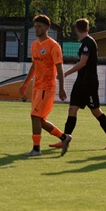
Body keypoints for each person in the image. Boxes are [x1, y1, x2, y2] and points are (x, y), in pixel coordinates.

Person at [58, 18, 106, 149]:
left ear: (75, 30)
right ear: (88, 28)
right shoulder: (84, 42)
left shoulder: (88, 42)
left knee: (96, 111)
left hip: (89, 83)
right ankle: (65, 138)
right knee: (72, 108)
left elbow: (83, 62)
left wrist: (65, 73)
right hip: (81, 82)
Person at [18, 15, 71, 157]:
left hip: (47, 87)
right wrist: (25, 84)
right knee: (39, 119)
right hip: (37, 87)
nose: (37, 29)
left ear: (47, 28)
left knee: (35, 116)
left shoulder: (53, 46)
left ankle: (36, 149)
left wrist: (61, 88)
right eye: (35, 26)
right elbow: (34, 66)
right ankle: (64, 137)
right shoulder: (34, 45)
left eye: (39, 26)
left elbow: (59, 68)